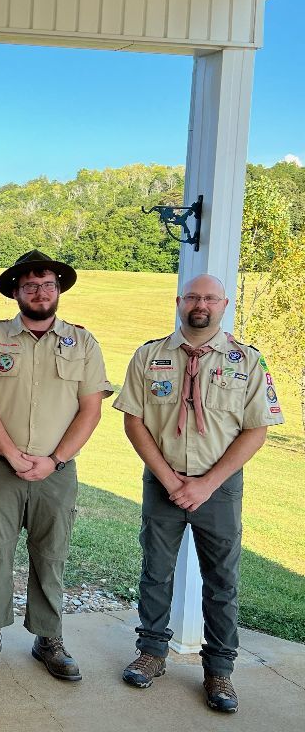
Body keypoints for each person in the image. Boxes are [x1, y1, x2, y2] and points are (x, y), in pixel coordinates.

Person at [112, 273, 283, 713]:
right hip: (162, 481)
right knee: (156, 571)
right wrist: (170, 481)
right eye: (192, 297)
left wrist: (207, 484)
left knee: (222, 581)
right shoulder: (149, 356)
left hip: (219, 488)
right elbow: (134, 421)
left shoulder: (248, 361)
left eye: (209, 298)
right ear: (179, 301)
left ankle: (220, 670)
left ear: (224, 304)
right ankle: (152, 653)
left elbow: (256, 429)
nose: (200, 304)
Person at [0, 250, 112, 681]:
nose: (40, 292)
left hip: (56, 472)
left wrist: (55, 460)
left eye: (47, 285)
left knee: (51, 554)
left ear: (58, 289)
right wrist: (10, 453)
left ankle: (49, 638)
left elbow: (91, 409)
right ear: (16, 293)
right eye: (30, 286)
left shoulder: (82, 342)